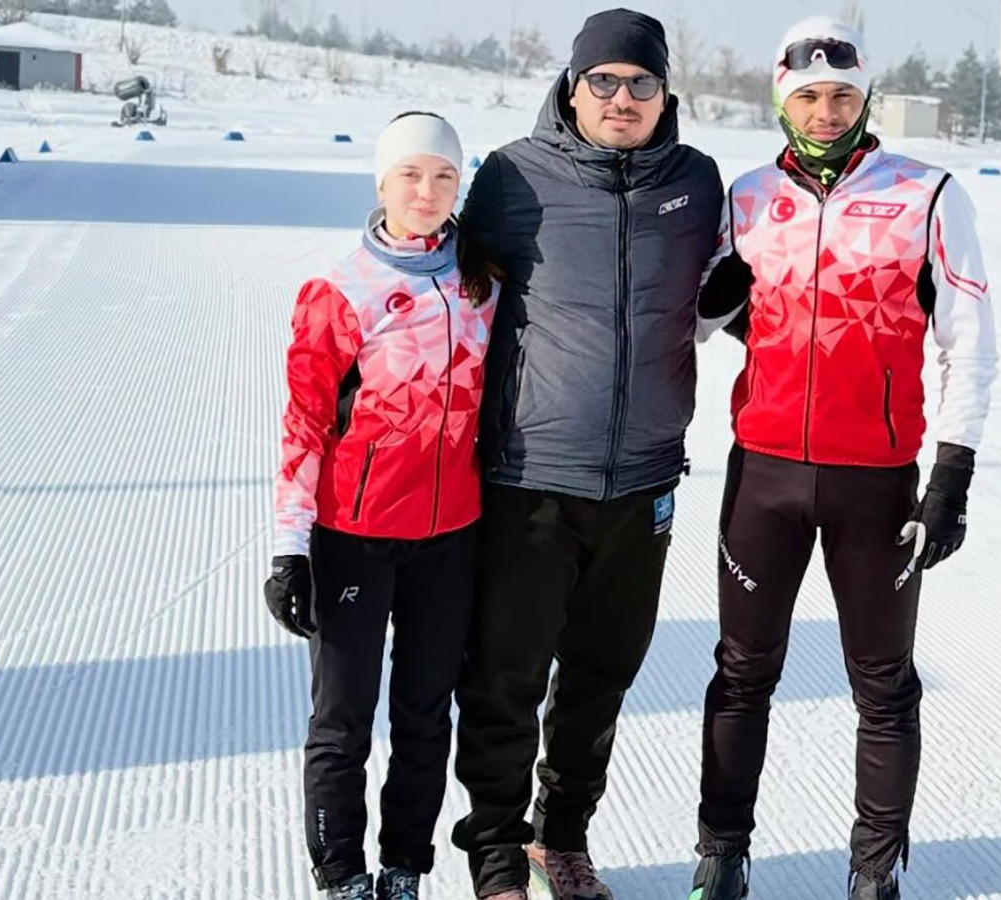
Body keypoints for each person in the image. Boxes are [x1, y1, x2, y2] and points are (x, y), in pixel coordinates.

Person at [687, 17, 999, 900]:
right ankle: (721, 854)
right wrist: (715, 302)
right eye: (809, 97)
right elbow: (696, 327)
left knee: (884, 684)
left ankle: (873, 872)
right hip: (766, 475)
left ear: (866, 99)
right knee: (742, 672)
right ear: (782, 101)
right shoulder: (745, 197)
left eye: (843, 97)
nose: (826, 113)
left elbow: (970, 344)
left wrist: (952, 476)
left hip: (877, 483)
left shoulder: (929, 194)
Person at [448, 9, 724, 900]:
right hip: (529, 474)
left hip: (644, 477)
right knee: (506, 675)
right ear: (572, 86)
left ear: (665, 93)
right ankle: (496, 852)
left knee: (603, 672)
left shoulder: (697, 183)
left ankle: (560, 837)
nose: (621, 97)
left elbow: (726, 302)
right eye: (602, 80)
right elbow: (448, 295)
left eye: (641, 82)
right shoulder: (511, 178)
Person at [264, 111, 497, 900]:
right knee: (344, 721)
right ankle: (341, 877)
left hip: (453, 537)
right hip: (354, 536)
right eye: (411, 174)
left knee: (428, 717)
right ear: (381, 182)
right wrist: (290, 546)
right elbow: (302, 424)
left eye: (443, 176)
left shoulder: (481, 281)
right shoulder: (340, 290)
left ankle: (404, 869)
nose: (427, 192)